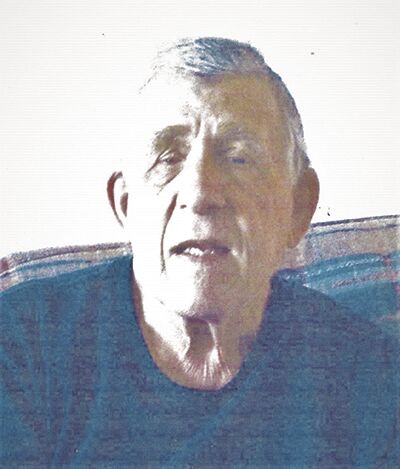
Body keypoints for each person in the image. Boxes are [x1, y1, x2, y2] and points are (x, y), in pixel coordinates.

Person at [1, 37, 398, 467]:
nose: (200, 192)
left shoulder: (367, 374)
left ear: (298, 208)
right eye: (168, 158)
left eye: (239, 158)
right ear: (126, 204)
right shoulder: (21, 345)